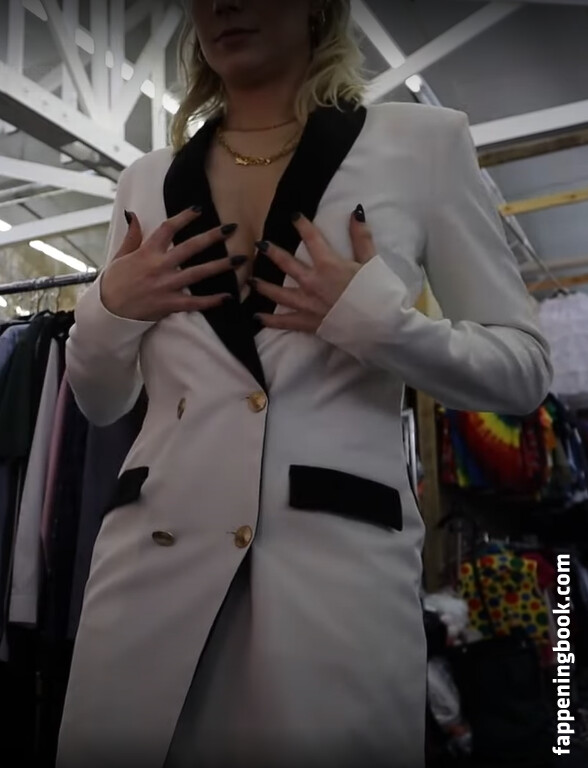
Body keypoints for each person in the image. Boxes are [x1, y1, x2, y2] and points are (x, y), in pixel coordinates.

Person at [57, 1, 553, 767]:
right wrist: (108, 310)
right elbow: (101, 402)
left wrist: (381, 324)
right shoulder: (145, 182)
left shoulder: (420, 144)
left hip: (331, 579)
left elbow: (524, 370)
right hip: (151, 571)